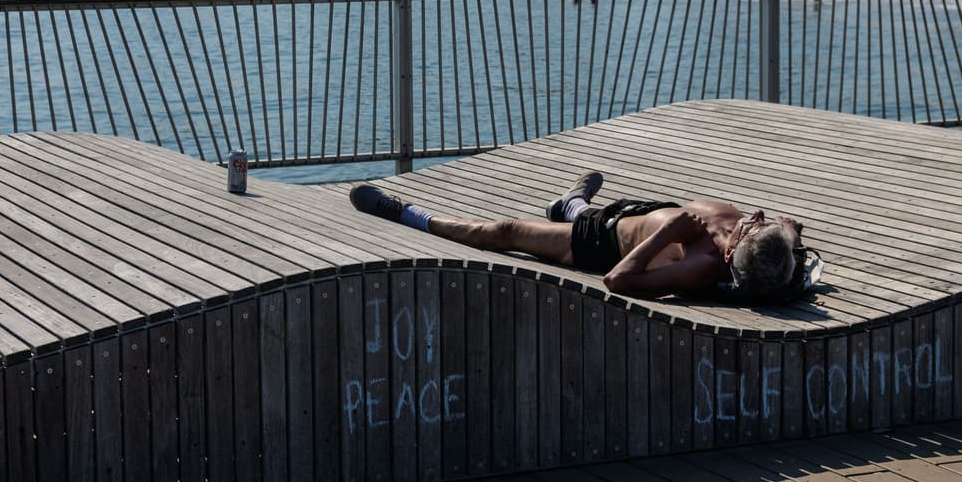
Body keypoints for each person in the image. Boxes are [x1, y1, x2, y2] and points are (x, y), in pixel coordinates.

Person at [350, 172, 819, 303]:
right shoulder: (770, 245)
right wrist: (786, 232)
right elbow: (791, 231)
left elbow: (618, 279)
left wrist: (670, 234)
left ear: (734, 252)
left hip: (600, 245)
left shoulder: (701, 266)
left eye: (756, 225)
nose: (756, 215)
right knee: (584, 212)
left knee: (504, 232)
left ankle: (408, 214)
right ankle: (570, 202)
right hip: (636, 213)